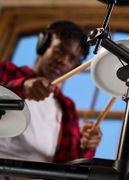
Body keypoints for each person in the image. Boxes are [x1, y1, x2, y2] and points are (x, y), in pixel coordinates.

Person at [0, 20, 102, 164]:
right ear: (44, 44)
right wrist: (21, 88)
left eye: (72, 59)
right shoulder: (6, 72)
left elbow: (69, 164)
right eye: (60, 50)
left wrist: (84, 146)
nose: (64, 61)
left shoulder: (67, 108)